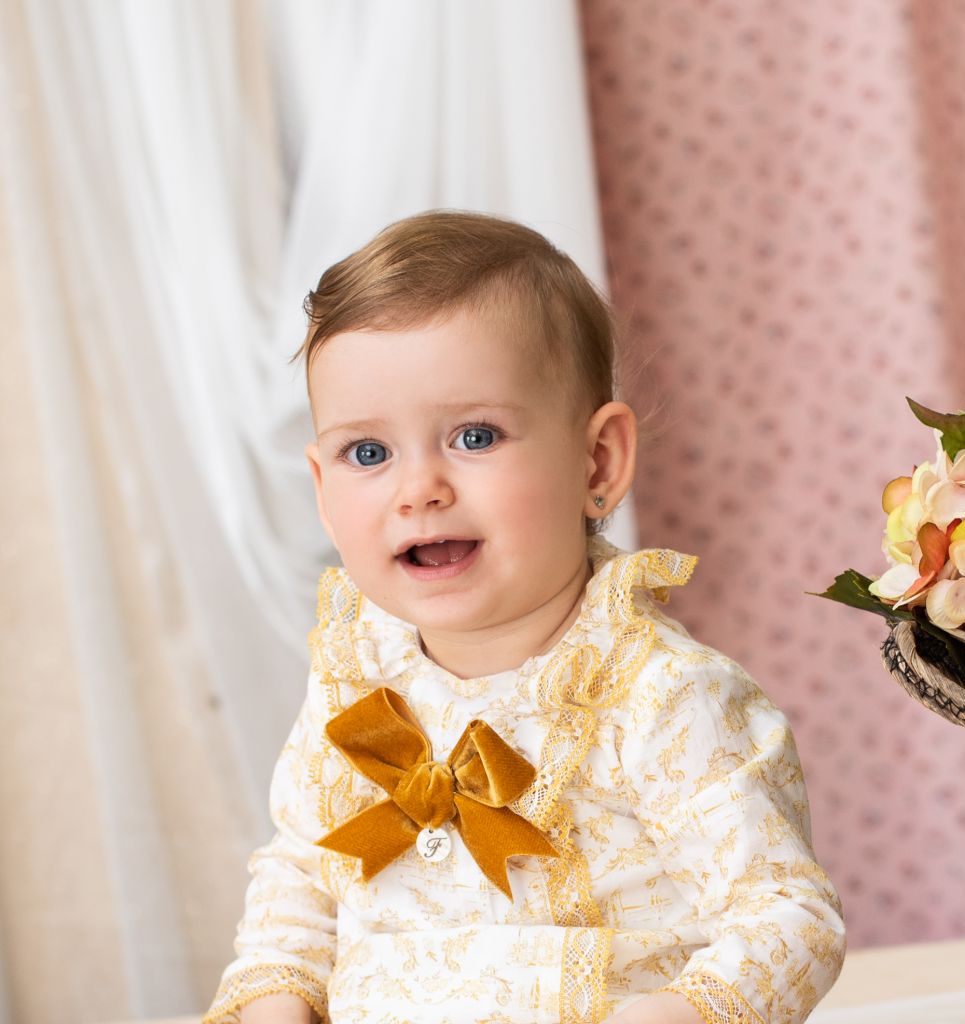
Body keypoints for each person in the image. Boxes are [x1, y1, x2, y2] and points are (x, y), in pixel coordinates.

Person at [202, 211, 845, 1024]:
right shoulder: (356, 678)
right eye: (369, 453)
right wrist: (276, 996)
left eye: (475, 436)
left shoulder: (662, 697)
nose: (419, 488)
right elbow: (303, 877)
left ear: (597, 462)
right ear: (323, 489)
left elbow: (790, 918)